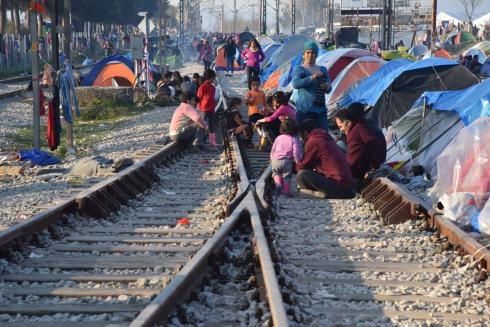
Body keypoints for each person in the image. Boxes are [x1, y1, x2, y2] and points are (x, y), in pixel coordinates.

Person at [296, 119, 355, 198]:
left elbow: (304, 166)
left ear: (305, 132)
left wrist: (291, 164)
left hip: (339, 186)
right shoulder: (325, 137)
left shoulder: (313, 141)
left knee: (302, 175)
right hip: (347, 185)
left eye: (301, 136)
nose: (301, 139)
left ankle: (320, 194)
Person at [335, 102, 386, 183]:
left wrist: (373, 168)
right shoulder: (366, 122)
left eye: (341, 126)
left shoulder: (358, 129)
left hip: (363, 169)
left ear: (348, 122)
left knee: (337, 148)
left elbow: (352, 159)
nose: (341, 130)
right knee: (339, 144)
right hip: (372, 162)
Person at [292, 41, 331, 130]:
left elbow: (329, 89)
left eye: (313, 52)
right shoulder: (300, 69)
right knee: (306, 138)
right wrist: (312, 77)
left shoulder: (323, 70)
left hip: (320, 110)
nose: (310, 55)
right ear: (304, 54)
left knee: (322, 135)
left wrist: (327, 87)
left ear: (316, 55)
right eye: (308, 52)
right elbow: (295, 84)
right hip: (304, 111)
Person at [270, 118, 302, 197]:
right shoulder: (293, 139)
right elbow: (296, 151)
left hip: (275, 160)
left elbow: (273, 150)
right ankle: (286, 191)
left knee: (276, 173)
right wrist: (297, 160)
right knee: (286, 176)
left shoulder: (278, 138)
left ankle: (278, 185)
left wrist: (271, 159)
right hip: (287, 161)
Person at [197, 69, 218, 147]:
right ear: (211, 78)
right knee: (206, 125)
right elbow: (199, 98)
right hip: (205, 109)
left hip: (209, 109)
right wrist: (200, 108)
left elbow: (199, 98)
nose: (214, 80)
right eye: (214, 78)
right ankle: (204, 141)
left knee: (208, 125)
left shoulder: (211, 87)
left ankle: (209, 141)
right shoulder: (204, 87)